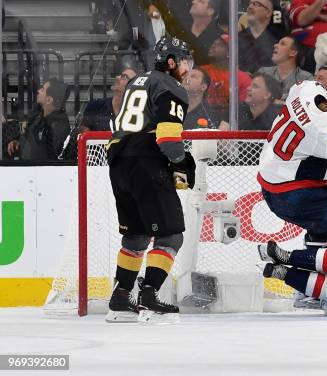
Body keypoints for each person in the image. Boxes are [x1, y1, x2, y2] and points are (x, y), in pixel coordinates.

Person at [105, 36, 196, 324]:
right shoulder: (171, 86)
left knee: (136, 235)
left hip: (119, 162)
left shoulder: (138, 81)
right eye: (183, 60)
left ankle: (120, 298)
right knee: (171, 235)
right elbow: (168, 139)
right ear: (170, 62)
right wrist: (181, 162)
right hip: (145, 163)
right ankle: (149, 296)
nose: (186, 66)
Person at [258, 81, 327, 273]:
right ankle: (313, 284)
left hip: (274, 184)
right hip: (293, 194)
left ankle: (295, 267)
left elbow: (305, 89)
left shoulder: (306, 90)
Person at [6, 78, 69, 160]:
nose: (38, 91)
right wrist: (19, 142)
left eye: (42, 90)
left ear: (49, 100)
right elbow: (30, 135)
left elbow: (49, 159)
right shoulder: (39, 115)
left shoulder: (58, 127)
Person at [203, 35, 253, 120]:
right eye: (214, 43)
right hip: (203, 117)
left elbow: (243, 108)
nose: (213, 46)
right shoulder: (201, 71)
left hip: (230, 121)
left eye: (220, 45)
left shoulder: (243, 78)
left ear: (230, 52)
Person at [238, 0, 287, 74]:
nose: (250, 7)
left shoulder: (278, 41)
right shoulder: (237, 39)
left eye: (256, 4)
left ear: (268, 13)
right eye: (249, 4)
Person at [258, 36, 314, 100]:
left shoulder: (306, 78)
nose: (275, 45)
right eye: (277, 43)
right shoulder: (263, 72)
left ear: (293, 53)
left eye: (282, 44)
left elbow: (308, 100)